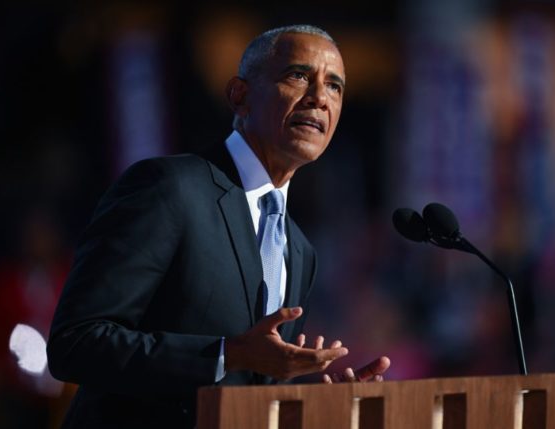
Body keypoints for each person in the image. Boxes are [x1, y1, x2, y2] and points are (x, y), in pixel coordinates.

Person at [47, 25, 390, 429]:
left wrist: (314, 402)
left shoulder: (300, 250)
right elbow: (76, 344)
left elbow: (251, 386)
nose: (319, 97)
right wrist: (229, 353)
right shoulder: (169, 188)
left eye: (335, 87)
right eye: (298, 76)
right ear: (239, 96)